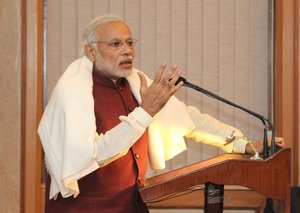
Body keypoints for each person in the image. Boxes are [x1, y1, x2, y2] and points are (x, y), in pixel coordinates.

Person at [38, 15, 284, 213]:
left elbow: (189, 120)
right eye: (115, 44)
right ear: (91, 52)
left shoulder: (136, 82)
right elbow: (92, 155)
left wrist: (241, 143)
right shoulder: (72, 93)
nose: (127, 51)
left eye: (130, 42)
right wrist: (144, 112)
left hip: (132, 204)